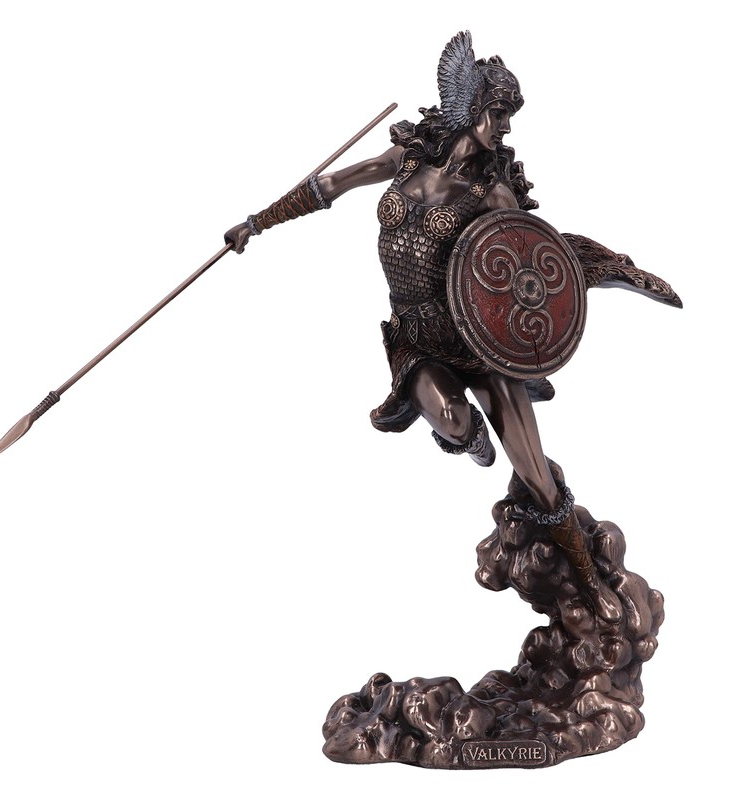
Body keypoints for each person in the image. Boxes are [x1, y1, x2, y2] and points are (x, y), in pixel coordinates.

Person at [224, 31, 622, 622]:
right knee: (458, 422)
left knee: (536, 472)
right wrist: (258, 222)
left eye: (508, 117)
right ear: (471, 106)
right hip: (415, 338)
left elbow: (527, 265)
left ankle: (589, 582)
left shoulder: (492, 193)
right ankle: (465, 436)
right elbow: (329, 185)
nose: (504, 127)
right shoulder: (408, 157)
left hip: (473, 339)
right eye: (498, 113)